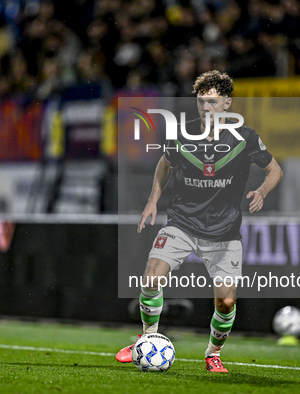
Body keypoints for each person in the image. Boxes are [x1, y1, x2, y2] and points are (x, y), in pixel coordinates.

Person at [115, 71, 283, 372]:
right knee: (152, 277)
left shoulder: (245, 137)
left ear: (227, 103)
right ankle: (148, 338)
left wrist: (261, 190)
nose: (206, 107)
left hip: (224, 232)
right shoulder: (182, 133)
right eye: (201, 101)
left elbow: (275, 170)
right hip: (182, 223)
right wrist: (153, 199)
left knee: (226, 304)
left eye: (213, 101)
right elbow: (165, 164)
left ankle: (212, 353)